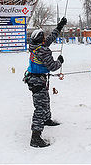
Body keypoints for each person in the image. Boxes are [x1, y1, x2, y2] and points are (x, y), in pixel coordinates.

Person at [23, 17, 67, 148]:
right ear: (41, 39)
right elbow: (52, 66)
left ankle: (47, 119)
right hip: (37, 81)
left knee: (45, 100)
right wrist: (60, 61)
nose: (45, 39)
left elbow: (50, 39)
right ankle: (35, 137)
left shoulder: (35, 46)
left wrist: (59, 26)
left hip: (36, 79)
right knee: (40, 108)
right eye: (43, 37)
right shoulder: (43, 50)